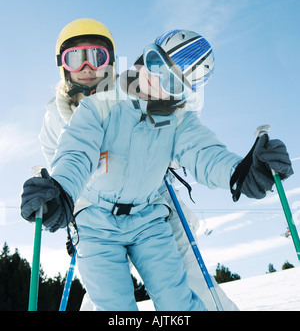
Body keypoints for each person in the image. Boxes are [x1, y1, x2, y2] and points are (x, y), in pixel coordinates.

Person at [21, 28, 293, 311]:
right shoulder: (99, 105)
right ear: (142, 56)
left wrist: (242, 171)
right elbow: (77, 152)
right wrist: (60, 191)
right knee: (115, 308)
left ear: (184, 91)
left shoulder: (178, 120)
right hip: (96, 221)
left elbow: (204, 153)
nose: (156, 79)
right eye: (154, 63)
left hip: (149, 218)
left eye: (172, 81)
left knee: (179, 302)